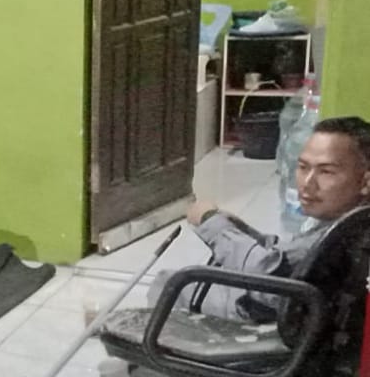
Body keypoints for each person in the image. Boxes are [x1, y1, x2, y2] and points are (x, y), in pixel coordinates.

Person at [148, 116, 370, 322]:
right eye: (303, 167)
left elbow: (267, 272)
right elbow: (286, 259)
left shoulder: (344, 235)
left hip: (271, 320)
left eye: (326, 172)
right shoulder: (353, 222)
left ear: (365, 182)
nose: (307, 183)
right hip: (291, 309)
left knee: (169, 284)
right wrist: (242, 230)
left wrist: (210, 221)